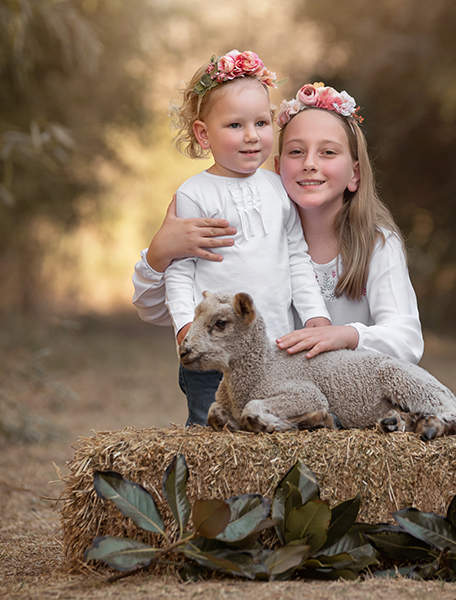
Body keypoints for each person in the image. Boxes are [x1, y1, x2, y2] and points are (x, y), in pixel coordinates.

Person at [132, 82, 423, 418]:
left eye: (328, 152)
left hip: (342, 398)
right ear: (276, 166)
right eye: (296, 152)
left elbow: (407, 340)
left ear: (354, 174)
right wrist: (158, 256)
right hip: (265, 378)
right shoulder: (240, 223)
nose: (310, 163)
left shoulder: (376, 244)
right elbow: (156, 310)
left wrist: (340, 333)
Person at [156, 51, 331, 426]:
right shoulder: (196, 194)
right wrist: (186, 326)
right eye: (235, 125)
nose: (252, 136)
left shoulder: (279, 187)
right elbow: (179, 271)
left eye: (262, 123)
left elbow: (296, 257)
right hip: (212, 353)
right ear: (204, 134)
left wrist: (316, 314)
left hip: (274, 350)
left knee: (269, 428)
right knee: (213, 429)